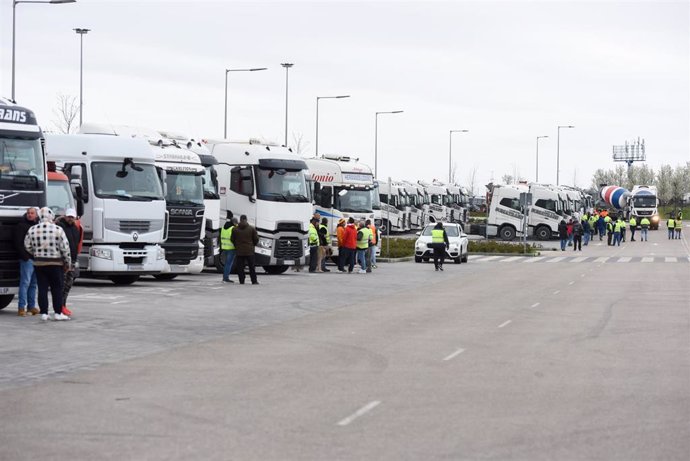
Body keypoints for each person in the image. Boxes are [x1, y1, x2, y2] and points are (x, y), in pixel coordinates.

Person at [24, 207, 71, 321]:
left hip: (39, 263)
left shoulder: (32, 229)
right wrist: (67, 263)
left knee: (42, 288)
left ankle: (44, 313)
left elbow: (27, 245)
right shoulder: (58, 229)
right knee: (57, 289)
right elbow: (65, 248)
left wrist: (36, 254)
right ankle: (58, 313)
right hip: (56, 263)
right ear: (51, 216)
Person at [55, 208, 83, 316]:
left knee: (68, 284)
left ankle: (63, 305)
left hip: (73, 260)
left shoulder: (75, 229)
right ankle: (60, 306)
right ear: (65, 216)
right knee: (62, 284)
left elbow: (76, 244)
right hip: (63, 260)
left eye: (72, 217)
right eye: (69, 217)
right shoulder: (60, 227)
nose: (70, 219)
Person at [13, 207, 39, 316]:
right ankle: (21, 307)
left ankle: (31, 307)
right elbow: (17, 243)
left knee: (33, 284)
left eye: (32, 213)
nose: (29, 215)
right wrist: (25, 257)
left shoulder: (38, 226)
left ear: (36, 215)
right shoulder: (21, 226)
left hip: (36, 259)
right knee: (25, 283)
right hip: (27, 260)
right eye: (28, 213)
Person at [231, 215, 259, 285]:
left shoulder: (235, 229)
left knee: (240, 267)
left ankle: (241, 280)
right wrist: (252, 245)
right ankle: (254, 281)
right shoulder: (252, 229)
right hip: (249, 251)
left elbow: (232, 239)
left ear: (240, 220)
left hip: (239, 251)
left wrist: (237, 246)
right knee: (251, 267)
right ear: (246, 219)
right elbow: (256, 239)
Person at [220, 213, 237, 283]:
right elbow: (234, 238)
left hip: (224, 247)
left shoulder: (223, 227)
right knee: (229, 264)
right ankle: (226, 278)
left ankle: (225, 277)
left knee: (226, 263)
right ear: (234, 222)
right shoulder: (232, 228)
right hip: (231, 248)